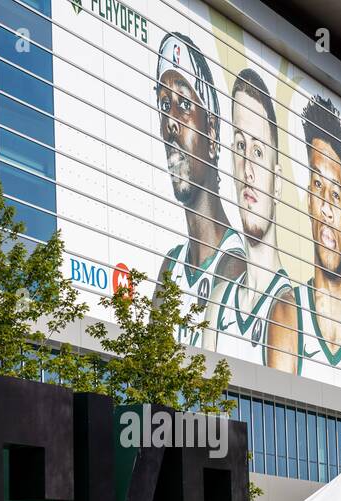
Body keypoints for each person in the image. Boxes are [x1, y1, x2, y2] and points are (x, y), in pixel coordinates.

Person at [153, 31, 245, 350]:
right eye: (164, 106)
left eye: (184, 105)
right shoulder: (172, 267)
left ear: (212, 130)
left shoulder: (237, 267)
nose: (171, 123)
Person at [216, 67, 297, 369]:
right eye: (240, 146)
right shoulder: (221, 299)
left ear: (277, 182)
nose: (247, 169)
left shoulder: (288, 310)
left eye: (259, 152)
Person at [293, 94, 341, 387]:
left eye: (335, 195)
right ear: (308, 201)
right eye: (318, 186)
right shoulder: (288, 314)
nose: (326, 207)